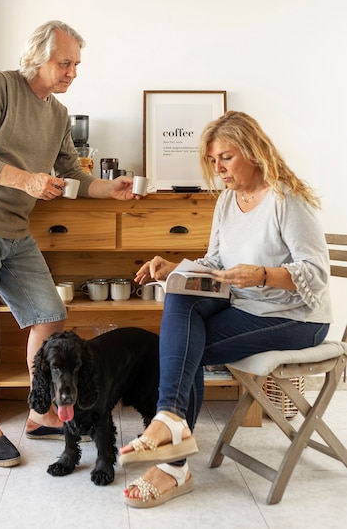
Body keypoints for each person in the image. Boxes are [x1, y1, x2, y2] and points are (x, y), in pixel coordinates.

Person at [0, 20, 140, 468]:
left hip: (14, 229)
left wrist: (112, 189)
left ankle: (37, 413)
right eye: (64, 62)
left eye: (76, 64)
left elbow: (73, 173)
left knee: (50, 313)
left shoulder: (57, 114)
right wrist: (26, 179)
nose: (72, 72)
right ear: (37, 58)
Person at [119, 110, 332, 508]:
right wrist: (174, 268)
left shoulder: (287, 199)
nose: (218, 169)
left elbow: (317, 275)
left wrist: (265, 275)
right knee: (181, 299)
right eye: (213, 161)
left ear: (253, 151)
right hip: (245, 304)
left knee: (184, 349)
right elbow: (215, 263)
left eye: (226, 158)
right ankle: (171, 421)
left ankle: (173, 463)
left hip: (297, 317)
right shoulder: (227, 202)